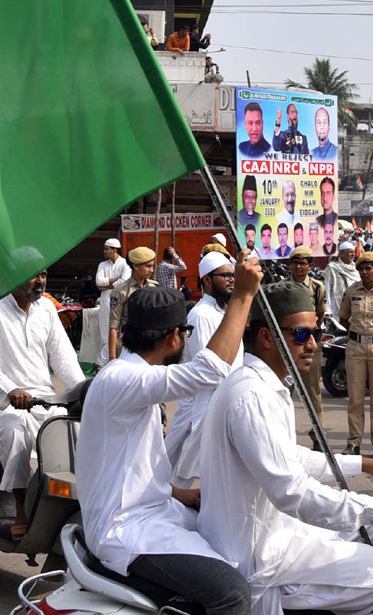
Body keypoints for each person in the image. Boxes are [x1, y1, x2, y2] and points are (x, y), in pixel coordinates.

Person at [198, 279, 373, 615]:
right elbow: (291, 492)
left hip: (273, 535)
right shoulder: (252, 396)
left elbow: (288, 457)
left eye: (316, 333)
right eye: (300, 334)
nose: (312, 344)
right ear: (266, 337)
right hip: (260, 556)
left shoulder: (264, 385)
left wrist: (363, 465)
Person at [77, 254, 262, 615]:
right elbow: (208, 372)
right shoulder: (125, 378)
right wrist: (243, 296)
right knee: (234, 593)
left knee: (243, 547)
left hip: (158, 511)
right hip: (127, 531)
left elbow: (130, 465)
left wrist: (180, 492)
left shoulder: (129, 375)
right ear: (174, 336)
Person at [0, 268, 86, 539]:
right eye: (32, 275)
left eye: (43, 275)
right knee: (15, 428)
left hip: (42, 397)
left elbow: (64, 358)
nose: (39, 281)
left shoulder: (46, 308)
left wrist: (84, 391)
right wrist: (10, 389)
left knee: (74, 429)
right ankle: (19, 510)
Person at [165, 252, 240, 482]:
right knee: (180, 471)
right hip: (202, 405)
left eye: (233, 275)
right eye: (224, 275)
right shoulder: (201, 315)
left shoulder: (225, 312)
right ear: (207, 280)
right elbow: (209, 371)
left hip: (223, 401)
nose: (231, 279)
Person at [337, 252, 373, 457]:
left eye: (368, 268)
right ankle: (353, 442)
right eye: (361, 268)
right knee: (355, 398)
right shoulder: (352, 291)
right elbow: (344, 318)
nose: (364, 272)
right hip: (356, 347)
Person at [287, 247, 327, 427]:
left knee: (312, 389)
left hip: (309, 342)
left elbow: (320, 315)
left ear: (310, 266)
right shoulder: (283, 287)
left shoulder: (318, 287)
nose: (298, 267)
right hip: (289, 343)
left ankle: (318, 436)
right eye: (295, 263)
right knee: (284, 388)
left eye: (302, 263)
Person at [110, 247, 159, 360]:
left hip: (149, 342)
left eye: (152, 266)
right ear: (135, 266)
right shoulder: (120, 291)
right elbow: (113, 326)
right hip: (127, 343)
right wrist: (112, 358)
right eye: (148, 266)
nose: (151, 270)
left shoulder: (154, 287)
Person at [96, 239, 132, 368]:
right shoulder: (102, 265)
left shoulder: (124, 264)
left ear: (114, 250)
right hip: (105, 299)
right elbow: (98, 282)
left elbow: (125, 280)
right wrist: (115, 282)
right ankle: (104, 362)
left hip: (119, 299)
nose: (104, 251)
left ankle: (101, 362)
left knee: (115, 330)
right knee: (105, 332)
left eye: (107, 249)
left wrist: (107, 285)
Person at [324, 242, 360, 315]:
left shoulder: (355, 269)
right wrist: (328, 309)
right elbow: (327, 289)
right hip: (337, 306)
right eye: (350, 252)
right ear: (342, 254)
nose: (353, 254)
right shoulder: (332, 268)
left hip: (355, 306)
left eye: (353, 252)